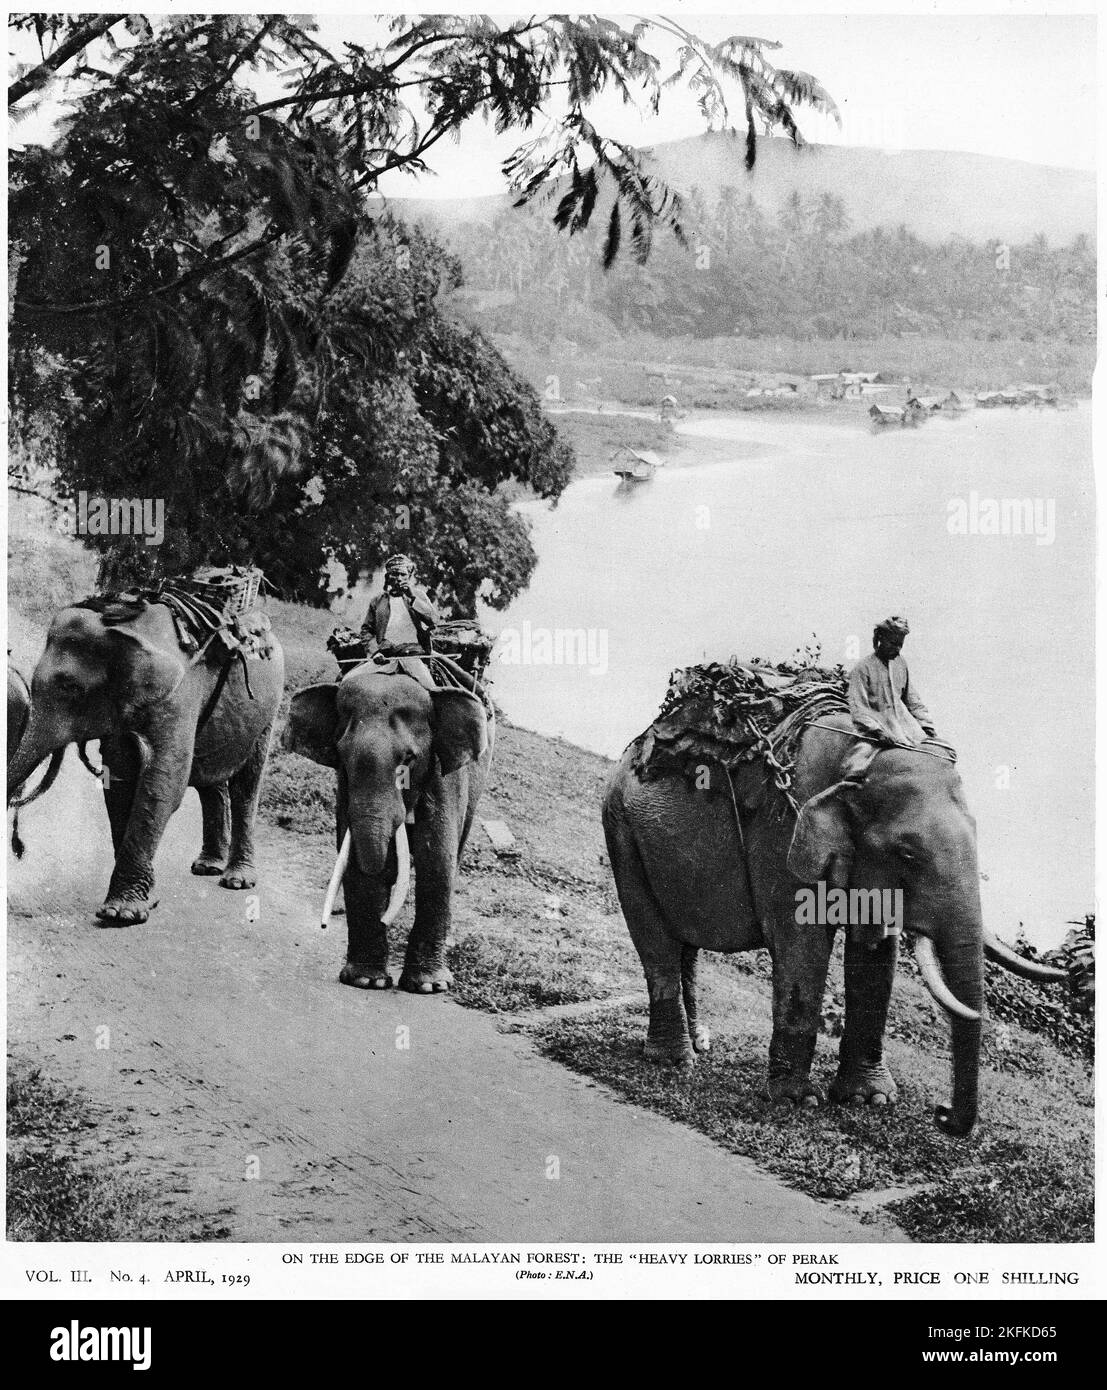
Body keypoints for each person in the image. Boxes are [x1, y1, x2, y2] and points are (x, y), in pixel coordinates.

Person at [848, 616, 937, 747]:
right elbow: (858, 707)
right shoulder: (863, 668)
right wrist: (877, 731)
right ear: (881, 639)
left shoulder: (900, 664)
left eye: (900, 645)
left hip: (905, 727)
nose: (897, 649)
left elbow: (912, 700)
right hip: (875, 729)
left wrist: (926, 725)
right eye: (892, 643)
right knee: (857, 762)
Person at [361, 554, 438, 657]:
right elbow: (367, 630)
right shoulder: (377, 601)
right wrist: (375, 651)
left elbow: (433, 620)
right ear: (388, 577)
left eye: (403, 574)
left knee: (421, 673)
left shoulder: (418, 595)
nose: (399, 578)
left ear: (409, 576)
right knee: (354, 674)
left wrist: (412, 598)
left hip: (414, 653)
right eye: (395, 574)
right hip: (385, 655)